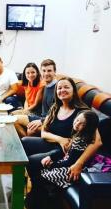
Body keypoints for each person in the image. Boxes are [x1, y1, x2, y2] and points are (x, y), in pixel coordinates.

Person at [22, 77, 102, 208]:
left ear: (73, 91)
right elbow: (43, 132)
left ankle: (43, 191)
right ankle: (36, 186)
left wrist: (78, 163)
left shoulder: (82, 112)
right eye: (59, 88)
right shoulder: (56, 107)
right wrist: (60, 139)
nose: (62, 90)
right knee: (24, 142)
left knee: (32, 161)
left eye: (66, 87)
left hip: (67, 151)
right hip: (56, 144)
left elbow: (97, 142)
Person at [40, 110, 99, 188]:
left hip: (72, 167)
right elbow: (67, 152)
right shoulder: (78, 135)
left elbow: (70, 162)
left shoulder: (80, 140)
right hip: (68, 162)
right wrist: (51, 157)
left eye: (83, 124)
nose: (77, 124)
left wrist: (52, 165)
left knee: (43, 175)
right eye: (77, 120)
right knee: (43, 171)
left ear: (88, 127)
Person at [14, 59, 57, 137]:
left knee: (27, 128)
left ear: (55, 72)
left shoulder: (57, 88)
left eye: (49, 71)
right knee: (13, 119)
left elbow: (58, 113)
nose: (46, 73)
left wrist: (41, 121)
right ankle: (25, 143)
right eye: (44, 71)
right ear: (40, 72)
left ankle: (25, 143)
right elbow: (27, 100)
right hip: (42, 117)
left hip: (48, 121)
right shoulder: (47, 86)